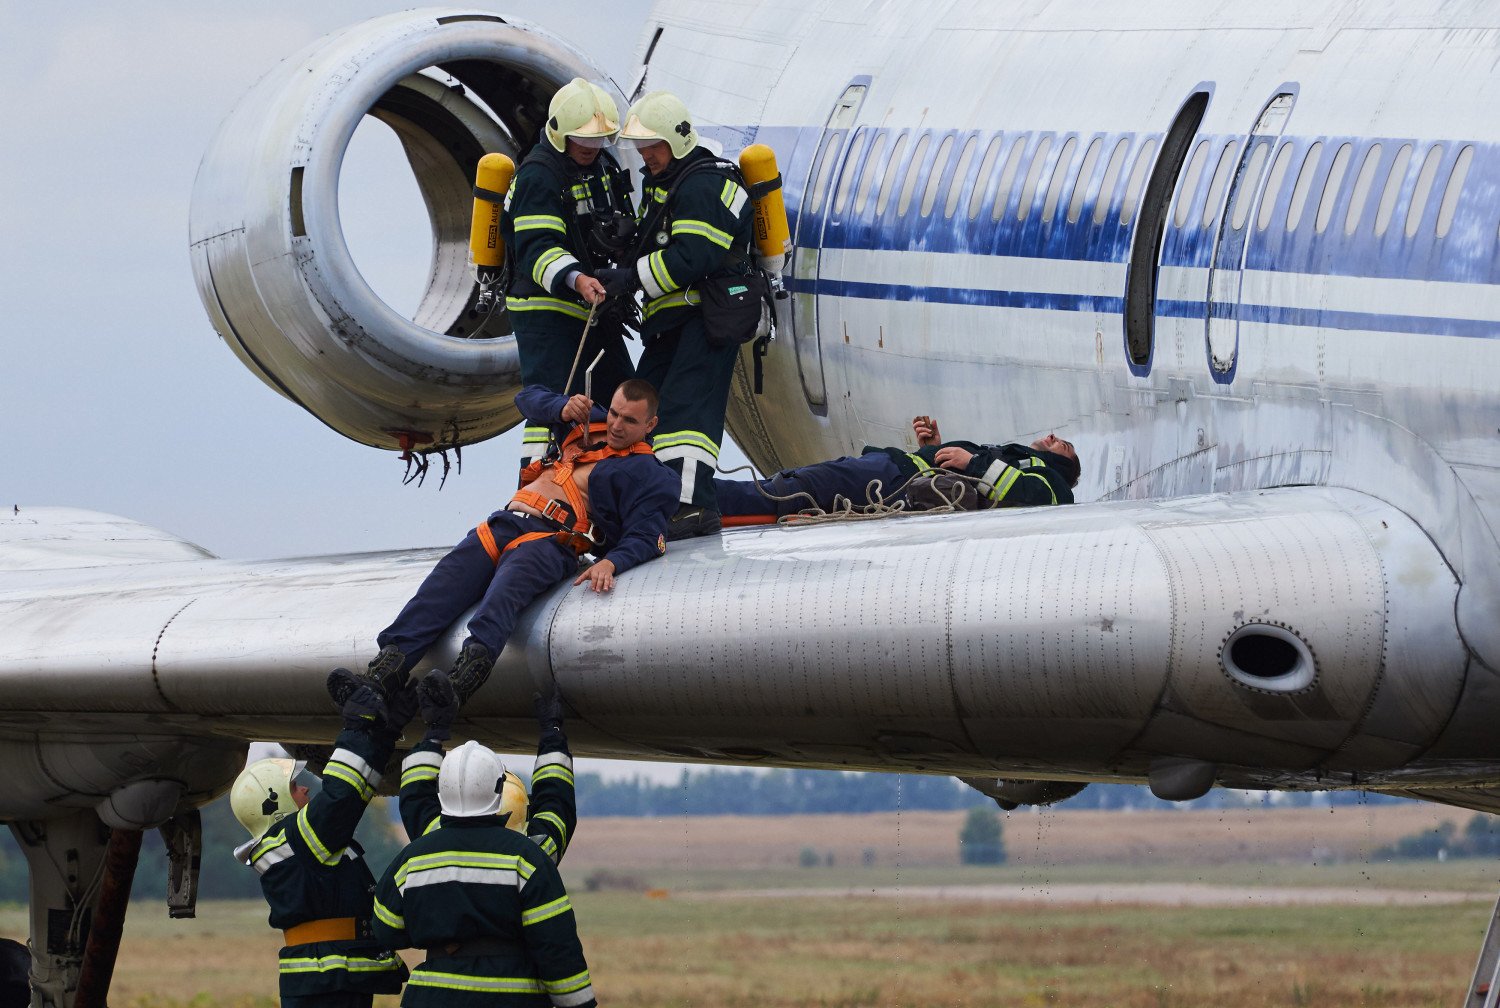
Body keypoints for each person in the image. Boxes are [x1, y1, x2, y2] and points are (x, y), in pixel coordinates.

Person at [354, 379, 679, 705]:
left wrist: (611, 562)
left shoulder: (650, 474)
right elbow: (527, 398)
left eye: (630, 421)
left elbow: (648, 536)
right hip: (503, 524)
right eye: (615, 414)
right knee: (438, 591)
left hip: (553, 540)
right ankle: (378, 679)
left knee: (503, 597)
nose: (617, 426)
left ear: (650, 424)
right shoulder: (584, 420)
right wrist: (561, 408)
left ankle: (457, 686)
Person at [372, 673, 595, 1007]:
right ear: (499, 790)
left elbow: (387, 929)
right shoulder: (530, 856)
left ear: (443, 791)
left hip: (430, 997)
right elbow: (556, 947)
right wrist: (553, 734)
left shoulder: (417, 855)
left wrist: (433, 731)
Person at [606, 89, 756, 540]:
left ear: (678, 141)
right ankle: (658, 499)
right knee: (649, 408)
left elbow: (693, 256)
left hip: (704, 322)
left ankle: (689, 509)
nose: (645, 155)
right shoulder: (669, 183)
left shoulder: (703, 186)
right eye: (640, 147)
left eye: (652, 146)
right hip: (670, 322)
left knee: (688, 417)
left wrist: (629, 278)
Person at [229, 676, 414, 1007]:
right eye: (296, 786)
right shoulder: (293, 843)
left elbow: (356, 793)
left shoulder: (295, 846)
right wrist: (356, 726)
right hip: (329, 980)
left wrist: (385, 736)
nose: (305, 790)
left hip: (330, 978)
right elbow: (341, 794)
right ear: (275, 804)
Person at [507, 77, 638, 474]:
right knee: (553, 404)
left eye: (601, 139)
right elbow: (536, 249)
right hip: (546, 311)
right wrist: (576, 279)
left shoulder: (602, 166)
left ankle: (609, 483)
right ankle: (536, 488)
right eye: (584, 139)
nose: (592, 146)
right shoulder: (538, 177)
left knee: (622, 397)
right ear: (560, 131)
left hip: (593, 307)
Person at [714, 414, 1081, 518]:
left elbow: (1034, 496)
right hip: (896, 471)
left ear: (1063, 466)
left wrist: (972, 460)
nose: (1052, 437)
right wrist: (935, 450)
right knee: (796, 487)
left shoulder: (1053, 483)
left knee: (790, 489)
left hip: (891, 478)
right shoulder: (1018, 460)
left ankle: (698, 498)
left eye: (1062, 445)